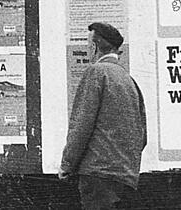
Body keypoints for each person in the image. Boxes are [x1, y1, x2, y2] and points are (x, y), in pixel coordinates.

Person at [59, 22, 146, 209]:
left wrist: (67, 165)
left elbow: (81, 126)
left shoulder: (95, 73)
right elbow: (142, 136)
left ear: (94, 46)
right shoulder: (128, 80)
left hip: (98, 176)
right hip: (126, 177)